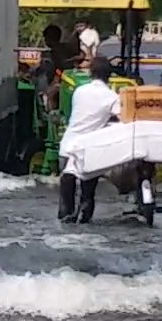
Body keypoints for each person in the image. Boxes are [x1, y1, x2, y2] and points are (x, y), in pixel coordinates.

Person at [57, 56, 121, 223]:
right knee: (87, 193)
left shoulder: (80, 91)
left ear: (91, 73)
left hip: (68, 145)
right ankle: (84, 223)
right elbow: (123, 119)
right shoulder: (112, 97)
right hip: (89, 151)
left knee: (66, 192)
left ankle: (64, 221)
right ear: (109, 76)